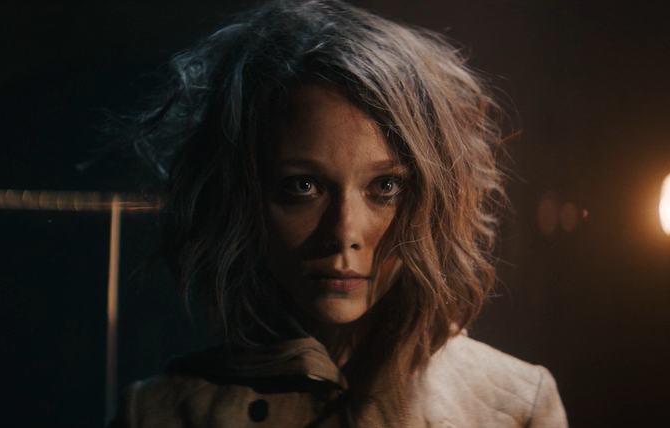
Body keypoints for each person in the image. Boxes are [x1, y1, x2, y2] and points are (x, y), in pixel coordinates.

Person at [112, 0, 567, 426]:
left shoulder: (514, 406)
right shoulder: (159, 414)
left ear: (433, 198)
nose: (344, 232)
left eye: (385, 187)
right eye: (303, 186)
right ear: (242, 197)